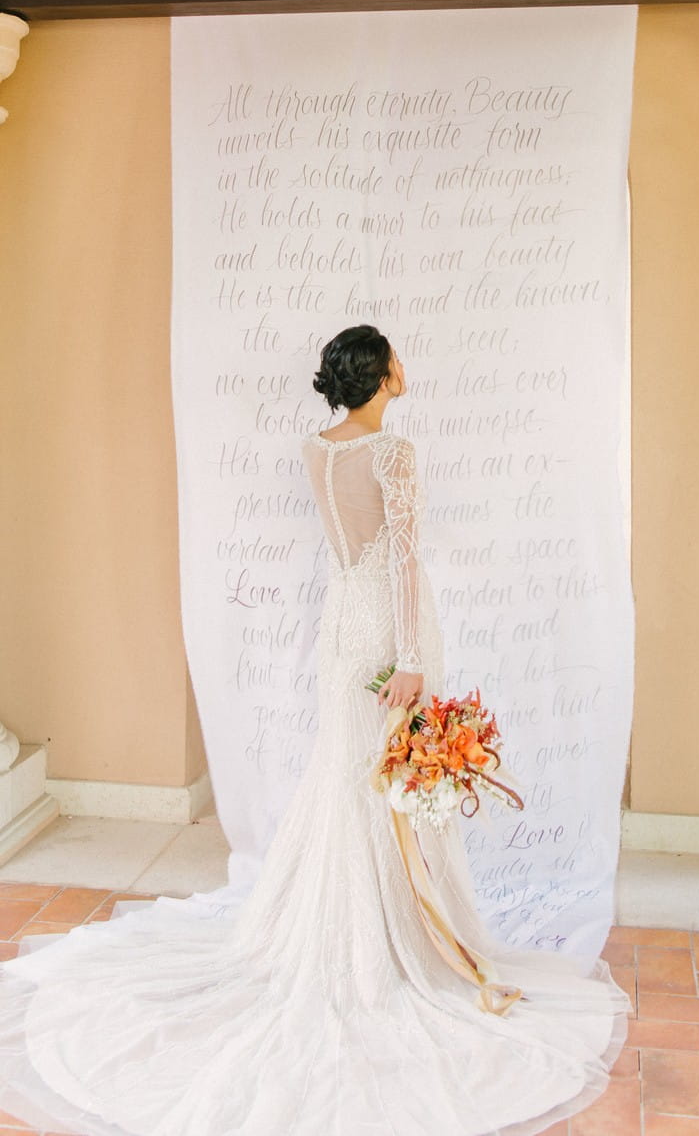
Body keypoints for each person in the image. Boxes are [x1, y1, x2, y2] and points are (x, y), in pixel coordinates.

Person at [0, 323, 630, 1135]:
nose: (407, 365)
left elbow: (357, 549)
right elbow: (402, 558)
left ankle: (381, 924)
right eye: (396, 356)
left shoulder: (316, 448)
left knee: (353, 775)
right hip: (387, 632)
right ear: (379, 374)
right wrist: (409, 656)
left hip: (342, 627)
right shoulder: (392, 453)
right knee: (389, 778)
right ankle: (395, 940)